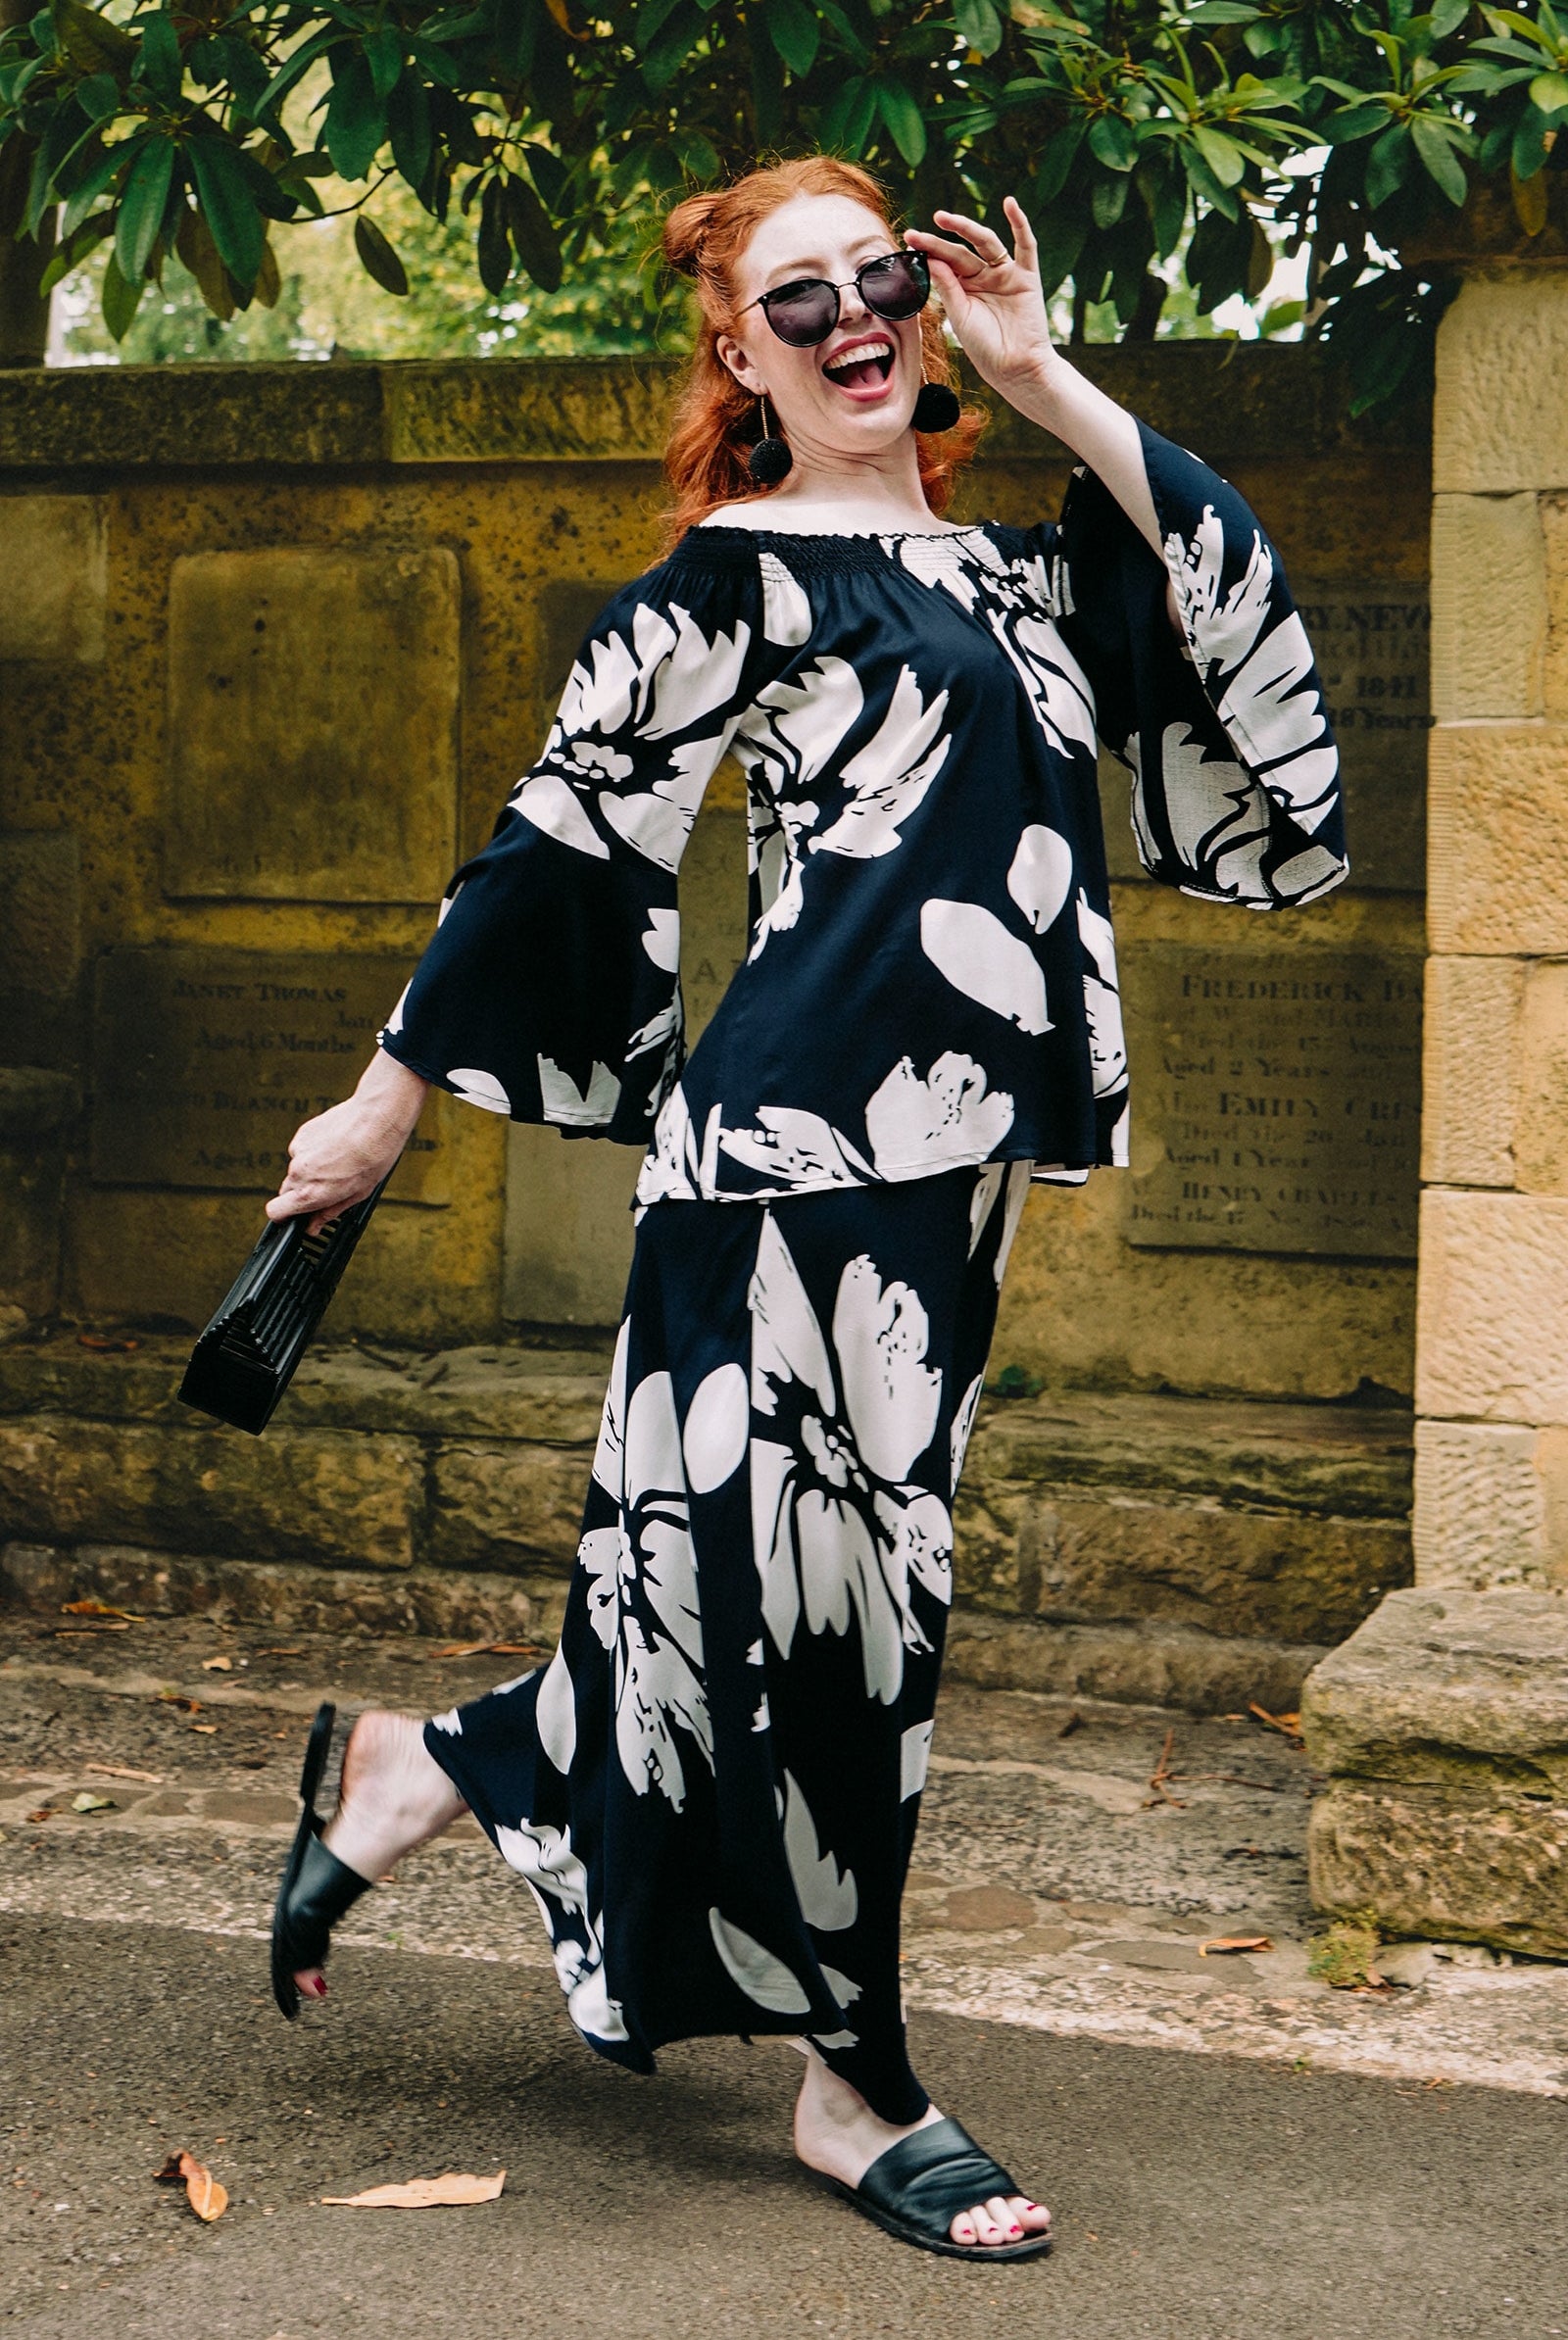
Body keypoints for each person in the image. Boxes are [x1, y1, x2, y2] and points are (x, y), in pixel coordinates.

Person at [266, 155, 1345, 2263]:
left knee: (739, 1598)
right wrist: (381, 1111)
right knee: (841, 1627)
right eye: (797, 300)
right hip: (780, 1170)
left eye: (880, 280)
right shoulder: (725, 586)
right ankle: (857, 2089)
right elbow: (553, 847)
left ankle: (429, 1769)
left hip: (946, 1181)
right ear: (738, 357)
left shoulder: (1025, 576)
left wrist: (1041, 380)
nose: (852, 319)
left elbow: (1234, 607)